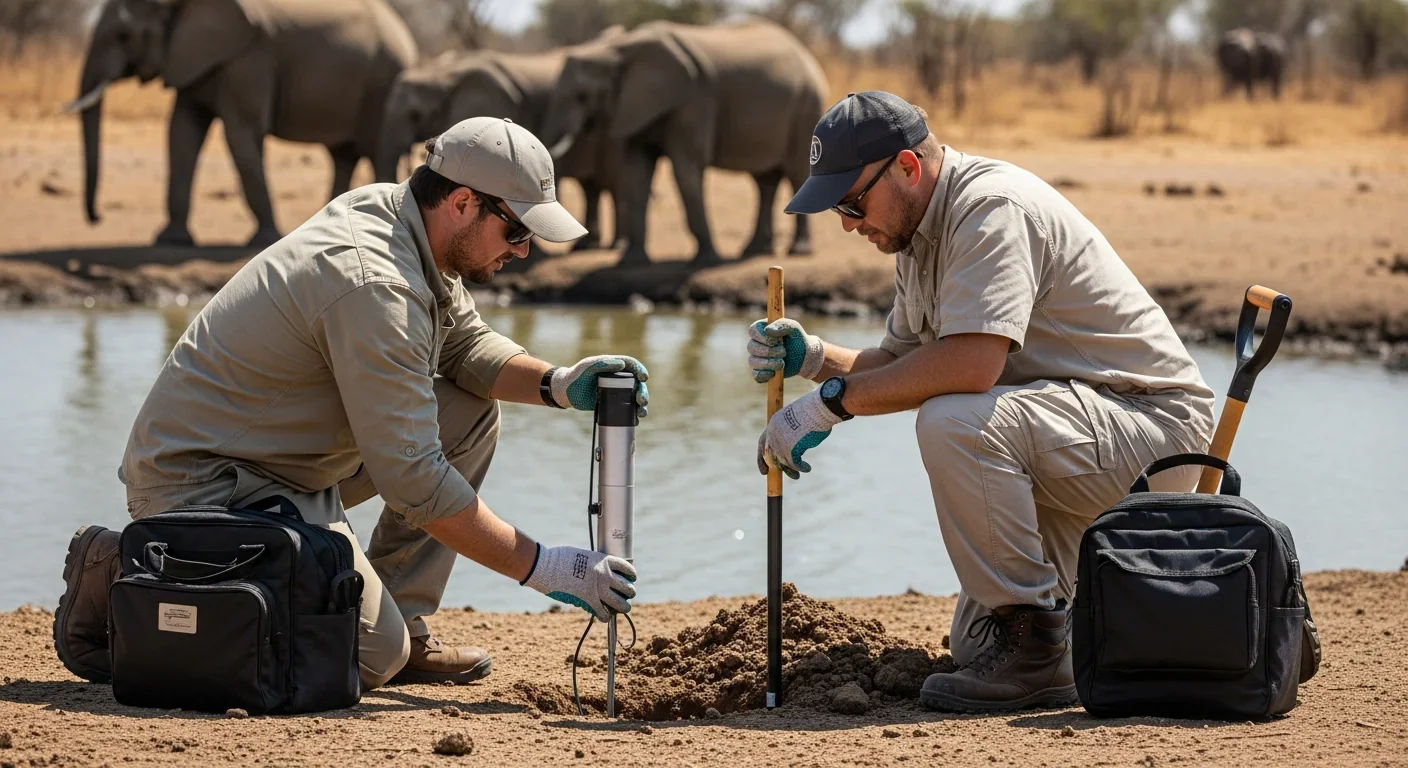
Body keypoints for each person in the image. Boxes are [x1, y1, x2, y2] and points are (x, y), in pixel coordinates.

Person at [54, 117, 646, 690]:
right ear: (463, 203)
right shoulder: (376, 283)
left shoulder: (408, 220)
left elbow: (464, 346)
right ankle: (129, 570)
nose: (524, 251)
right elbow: (414, 478)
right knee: (368, 657)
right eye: (517, 232)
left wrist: (558, 384)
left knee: (468, 413)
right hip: (205, 486)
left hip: (285, 469)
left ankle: (399, 618)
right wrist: (545, 566)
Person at [748, 91, 1215, 713]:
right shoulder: (916, 234)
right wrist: (813, 359)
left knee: (954, 420)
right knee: (977, 645)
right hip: (1070, 438)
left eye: (852, 203)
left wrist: (829, 405)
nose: (847, 224)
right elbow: (901, 363)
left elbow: (970, 366)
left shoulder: (990, 208)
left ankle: (1038, 651)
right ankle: (1109, 638)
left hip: (1152, 432)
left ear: (907, 168)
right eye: (837, 207)